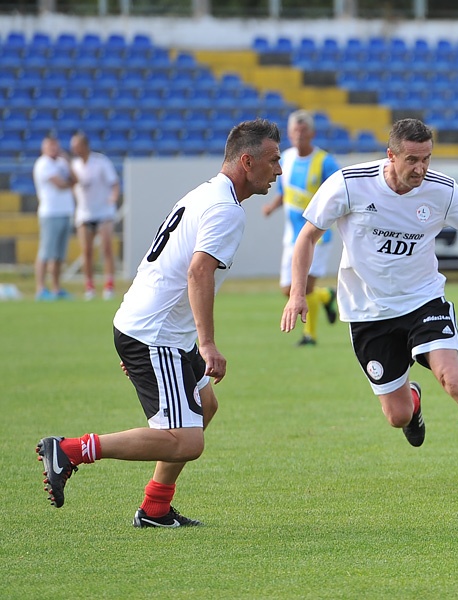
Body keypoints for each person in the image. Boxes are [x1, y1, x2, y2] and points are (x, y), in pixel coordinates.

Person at [35, 119, 283, 526]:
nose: (278, 170)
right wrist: (206, 345)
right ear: (246, 160)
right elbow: (198, 272)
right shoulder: (225, 209)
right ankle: (71, 450)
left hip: (153, 328)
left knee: (204, 406)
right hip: (157, 332)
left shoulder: (205, 193)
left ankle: (154, 508)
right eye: (273, 160)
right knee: (187, 441)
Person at [281, 118, 458, 493]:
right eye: (412, 159)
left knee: (452, 377)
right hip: (368, 312)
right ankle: (412, 402)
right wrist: (298, 294)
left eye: (427, 158)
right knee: (397, 416)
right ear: (391, 155)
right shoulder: (350, 184)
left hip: (423, 299)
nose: (421, 168)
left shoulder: (442, 190)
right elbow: (307, 237)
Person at [263, 110, 341, 346]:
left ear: (312, 133)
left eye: (303, 131)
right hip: (292, 236)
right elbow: (283, 192)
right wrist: (272, 206)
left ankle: (310, 335)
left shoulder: (324, 161)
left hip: (318, 237)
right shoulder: (284, 159)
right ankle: (327, 296)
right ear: (289, 133)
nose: (298, 135)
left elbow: (338, 192)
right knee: (288, 288)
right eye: (295, 131)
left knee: (305, 287)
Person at [70, 132, 121, 300]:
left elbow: (114, 183)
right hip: (84, 212)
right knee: (87, 251)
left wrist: (113, 197)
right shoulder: (74, 165)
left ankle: (109, 284)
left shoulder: (100, 162)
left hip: (103, 211)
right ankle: (89, 285)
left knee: (106, 248)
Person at [32, 135, 76, 301]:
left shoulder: (61, 162)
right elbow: (61, 184)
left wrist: (68, 162)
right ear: (44, 148)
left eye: (55, 146)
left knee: (58, 254)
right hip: (50, 212)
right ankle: (40, 288)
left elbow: (75, 179)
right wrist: (70, 181)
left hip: (64, 211)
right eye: (50, 146)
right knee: (46, 252)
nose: (54, 149)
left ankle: (56, 288)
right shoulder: (43, 164)